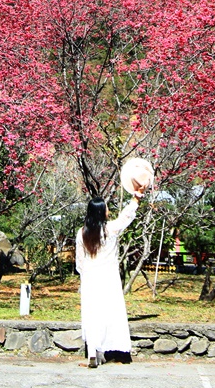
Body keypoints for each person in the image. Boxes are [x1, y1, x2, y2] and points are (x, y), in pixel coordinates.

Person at [76, 158, 152, 369]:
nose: (109, 211)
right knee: (109, 313)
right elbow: (127, 216)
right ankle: (108, 348)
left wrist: (84, 277)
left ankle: (94, 351)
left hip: (91, 277)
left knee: (92, 314)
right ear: (102, 212)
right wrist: (138, 196)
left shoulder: (81, 234)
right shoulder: (110, 230)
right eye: (107, 209)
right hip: (108, 277)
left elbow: (79, 261)